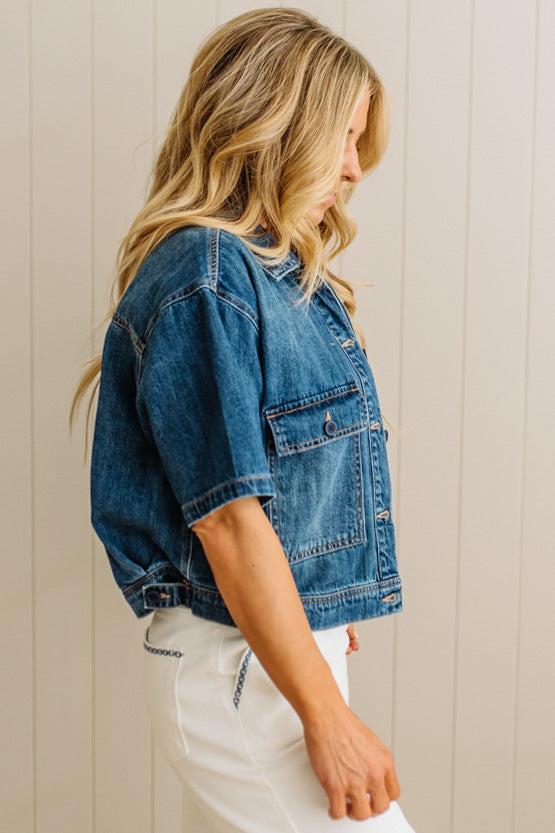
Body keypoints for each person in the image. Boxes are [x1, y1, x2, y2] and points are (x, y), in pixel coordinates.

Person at [69, 7, 416, 831]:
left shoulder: (269, 274)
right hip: (242, 672)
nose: (354, 168)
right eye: (340, 136)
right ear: (274, 127)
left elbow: (279, 492)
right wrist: (325, 713)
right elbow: (227, 516)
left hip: (267, 656)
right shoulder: (207, 273)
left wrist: (313, 595)